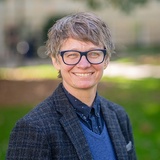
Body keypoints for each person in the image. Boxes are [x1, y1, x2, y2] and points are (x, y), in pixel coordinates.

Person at [6, 12, 137, 160]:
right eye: (72, 55)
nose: (84, 64)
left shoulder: (119, 116)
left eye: (94, 53)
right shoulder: (33, 129)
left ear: (106, 59)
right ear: (56, 60)